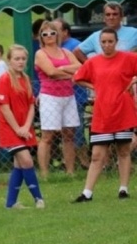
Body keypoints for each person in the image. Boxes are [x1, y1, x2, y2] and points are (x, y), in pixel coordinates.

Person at [72, 27, 137, 202]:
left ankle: (123, 189)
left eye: (110, 41)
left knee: (123, 151)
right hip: (102, 112)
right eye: (103, 42)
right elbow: (77, 78)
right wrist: (94, 87)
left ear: (116, 42)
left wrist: (133, 81)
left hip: (123, 110)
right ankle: (87, 193)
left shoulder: (128, 58)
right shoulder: (93, 62)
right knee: (97, 155)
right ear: (99, 43)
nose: (107, 45)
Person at [0, 45, 45, 209]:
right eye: (17, 59)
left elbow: (31, 105)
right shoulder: (4, 79)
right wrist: (18, 129)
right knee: (27, 160)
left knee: (19, 164)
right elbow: (4, 108)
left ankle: (11, 203)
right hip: (10, 129)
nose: (20, 62)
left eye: (23, 59)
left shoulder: (26, 79)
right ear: (9, 60)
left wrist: (26, 126)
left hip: (24, 128)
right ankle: (39, 199)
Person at [34, 21, 82, 179]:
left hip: (68, 95)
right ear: (41, 37)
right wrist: (70, 75)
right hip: (50, 96)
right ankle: (44, 173)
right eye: (45, 34)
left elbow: (79, 67)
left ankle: (70, 171)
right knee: (47, 136)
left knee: (69, 134)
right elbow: (51, 72)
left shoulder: (66, 52)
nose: (49, 36)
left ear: (58, 35)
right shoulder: (40, 53)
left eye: (52, 33)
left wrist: (62, 68)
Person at [55, 18, 91, 172]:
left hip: (76, 95)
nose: (54, 34)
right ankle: (68, 160)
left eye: (57, 30)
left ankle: (84, 160)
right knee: (65, 131)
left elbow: (83, 68)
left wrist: (62, 72)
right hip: (60, 96)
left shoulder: (75, 46)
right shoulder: (55, 48)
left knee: (77, 129)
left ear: (65, 31)